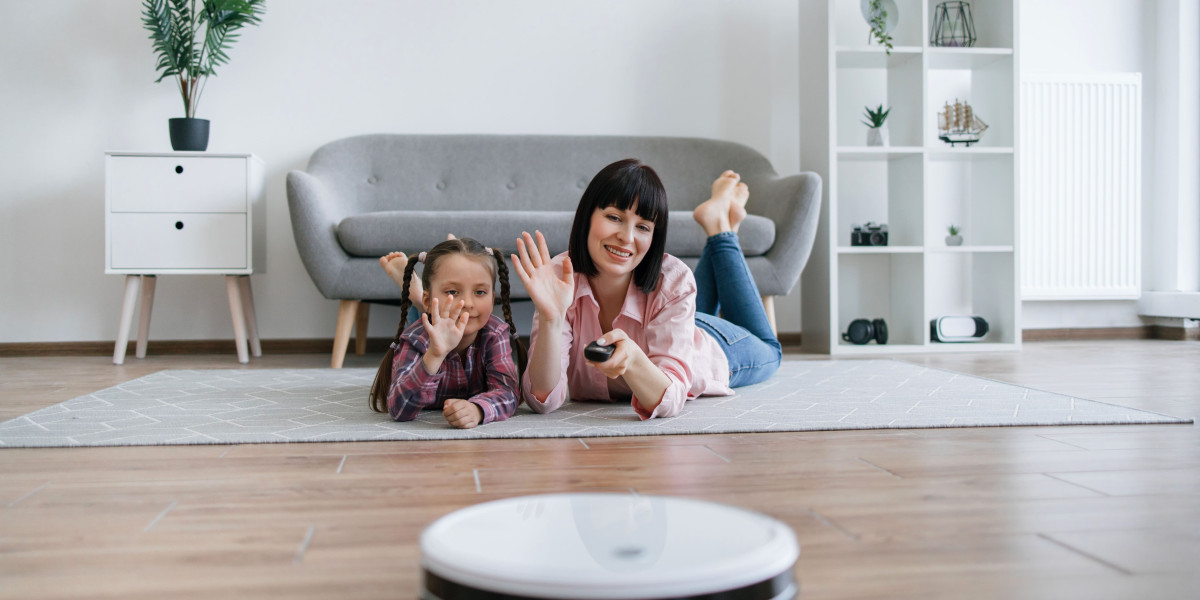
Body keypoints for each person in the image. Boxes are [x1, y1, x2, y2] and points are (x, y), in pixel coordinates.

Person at [511, 159, 781, 420]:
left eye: (642, 226)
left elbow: (671, 398)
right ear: (587, 217)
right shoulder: (559, 280)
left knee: (771, 352)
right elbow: (541, 399)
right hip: (669, 322)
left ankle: (722, 229)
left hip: (710, 343)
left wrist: (634, 360)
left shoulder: (673, 280)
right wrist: (551, 319)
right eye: (614, 217)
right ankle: (719, 219)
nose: (627, 237)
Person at [368, 237, 527, 428]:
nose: (468, 303)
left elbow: (508, 393)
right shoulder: (414, 339)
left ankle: (419, 295)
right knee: (425, 319)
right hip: (429, 325)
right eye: (453, 291)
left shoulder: (495, 332)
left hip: (434, 308)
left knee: (437, 312)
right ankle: (418, 296)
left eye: (480, 292)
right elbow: (399, 410)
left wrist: (478, 409)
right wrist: (435, 354)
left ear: (493, 298)